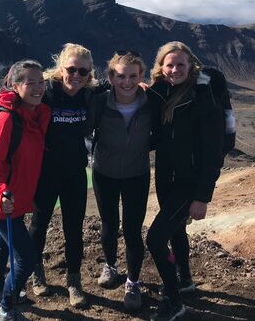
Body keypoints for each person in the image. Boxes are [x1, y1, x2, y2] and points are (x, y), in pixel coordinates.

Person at [146, 41, 225, 321]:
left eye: (181, 64)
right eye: (170, 64)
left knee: (155, 239)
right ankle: (185, 280)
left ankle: (173, 300)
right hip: (167, 178)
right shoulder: (160, 92)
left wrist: (203, 196)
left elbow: (214, 150)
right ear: (161, 67)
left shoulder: (203, 96)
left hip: (189, 183)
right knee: (177, 231)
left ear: (191, 65)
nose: (175, 69)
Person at [0, 60, 50, 321]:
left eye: (41, 81)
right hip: (3, 203)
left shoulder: (32, 113)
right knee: (26, 260)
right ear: (15, 85)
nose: (38, 88)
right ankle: (6, 309)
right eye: (30, 83)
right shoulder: (7, 120)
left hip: (16, 202)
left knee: (2, 247)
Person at [28, 43, 98, 308]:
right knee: (38, 225)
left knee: (74, 228)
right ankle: (36, 273)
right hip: (45, 173)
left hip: (75, 173)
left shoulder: (90, 95)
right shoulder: (44, 91)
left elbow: (125, 89)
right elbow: (9, 100)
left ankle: (73, 280)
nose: (76, 75)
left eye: (83, 71)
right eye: (71, 69)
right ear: (61, 68)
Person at [90, 51, 151, 312]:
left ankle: (133, 282)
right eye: (121, 76)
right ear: (111, 77)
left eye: (133, 76)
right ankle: (111, 266)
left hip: (137, 173)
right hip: (104, 173)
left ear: (141, 76)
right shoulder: (99, 102)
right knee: (108, 224)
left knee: (133, 229)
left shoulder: (152, 101)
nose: (127, 82)